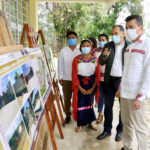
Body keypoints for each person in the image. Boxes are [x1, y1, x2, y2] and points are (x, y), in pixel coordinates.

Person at [117, 14, 150, 150]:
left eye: (131, 27)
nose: (128, 30)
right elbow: (126, 70)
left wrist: (141, 96)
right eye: (126, 27)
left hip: (137, 96)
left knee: (140, 127)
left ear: (140, 28)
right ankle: (127, 146)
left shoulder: (147, 44)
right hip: (125, 93)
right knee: (126, 122)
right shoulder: (130, 47)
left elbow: (148, 73)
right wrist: (120, 88)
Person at [97, 25, 130, 141]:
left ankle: (120, 131)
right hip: (108, 80)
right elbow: (101, 61)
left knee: (123, 108)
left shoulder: (129, 46)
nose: (114, 36)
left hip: (123, 82)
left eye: (116, 33)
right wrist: (105, 55)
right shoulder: (108, 45)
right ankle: (107, 130)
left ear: (123, 34)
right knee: (108, 107)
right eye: (112, 34)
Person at [72, 40, 100, 132]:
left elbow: (97, 75)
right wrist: (80, 88)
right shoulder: (76, 59)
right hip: (80, 84)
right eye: (84, 46)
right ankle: (80, 124)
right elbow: (74, 74)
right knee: (80, 103)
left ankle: (90, 122)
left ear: (91, 47)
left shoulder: (95, 59)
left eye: (88, 46)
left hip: (91, 83)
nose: (86, 47)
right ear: (80, 48)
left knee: (90, 103)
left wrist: (92, 88)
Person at [58, 31, 81, 124]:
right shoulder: (63, 51)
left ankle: (78, 114)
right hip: (66, 79)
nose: (71, 40)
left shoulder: (80, 51)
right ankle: (67, 115)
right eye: (69, 38)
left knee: (78, 98)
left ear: (77, 39)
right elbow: (60, 64)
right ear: (67, 40)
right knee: (67, 98)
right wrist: (60, 77)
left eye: (73, 38)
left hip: (78, 79)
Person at [91, 34, 109, 123]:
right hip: (95, 78)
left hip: (106, 79)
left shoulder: (110, 51)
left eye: (103, 40)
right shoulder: (94, 51)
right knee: (96, 96)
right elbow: (89, 61)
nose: (101, 41)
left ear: (107, 41)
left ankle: (100, 113)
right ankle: (91, 114)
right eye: (100, 40)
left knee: (102, 97)